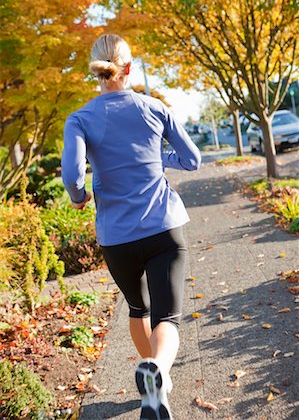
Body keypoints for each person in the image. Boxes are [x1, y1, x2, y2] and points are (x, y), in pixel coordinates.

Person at [61, 33, 201, 420]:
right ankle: (158, 371)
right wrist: (158, 161)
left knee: (138, 308)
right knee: (168, 317)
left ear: (98, 72)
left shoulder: (80, 119)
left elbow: (72, 175)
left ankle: (156, 385)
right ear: (128, 68)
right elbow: (193, 160)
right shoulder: (154, 108)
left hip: (117, 237)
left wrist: (79, 196)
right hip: (164, 229)